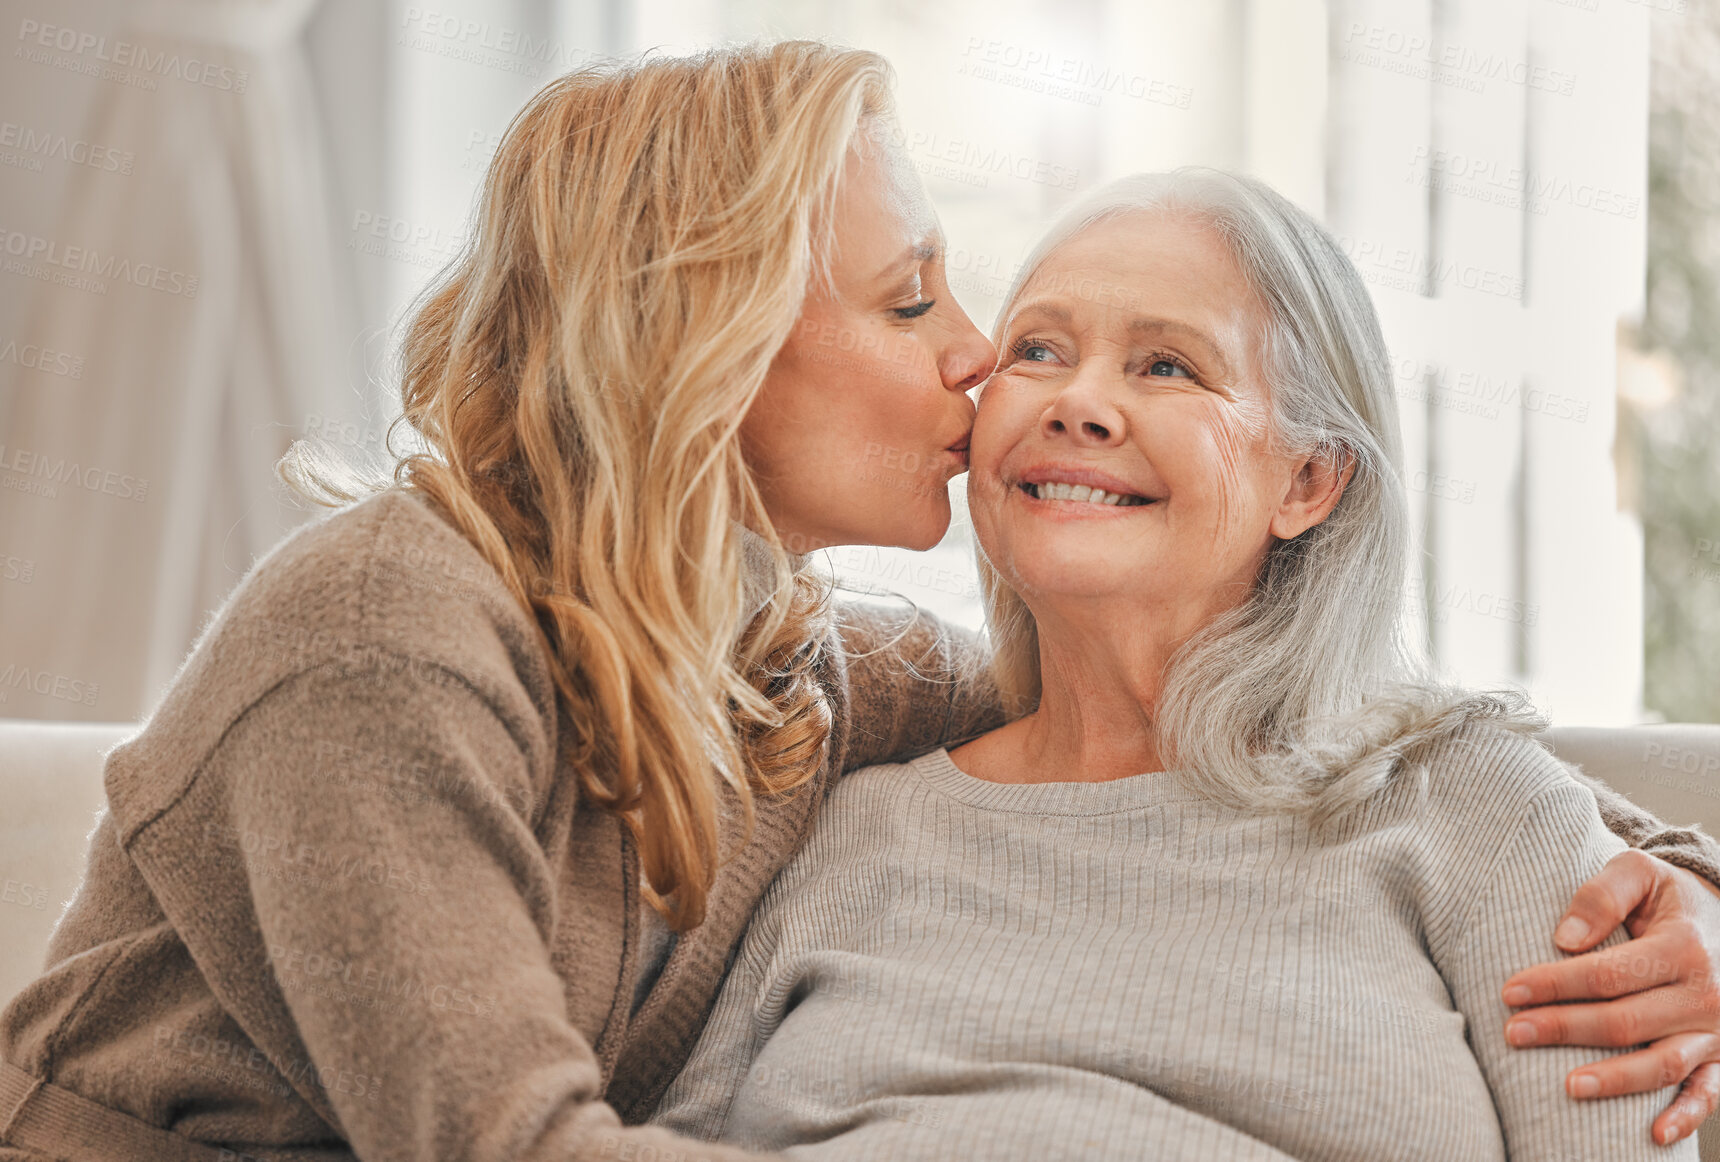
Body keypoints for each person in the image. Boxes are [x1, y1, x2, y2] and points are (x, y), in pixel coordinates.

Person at [0, 45, 1716, 1162]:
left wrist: (1685, 887)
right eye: (923, 306)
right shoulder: (388, 637)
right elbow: (503, 1146)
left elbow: (1270, 732)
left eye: (1161, 361)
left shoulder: (800, 672)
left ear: (1312, 479)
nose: (989, 365)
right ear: (713, 346)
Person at [649, 169, 1720, 1160]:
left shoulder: (1471, 806)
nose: (1079, 401)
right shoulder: (848, 821)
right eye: (1037, 350)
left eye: (1167, 365)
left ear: (1307, 479)